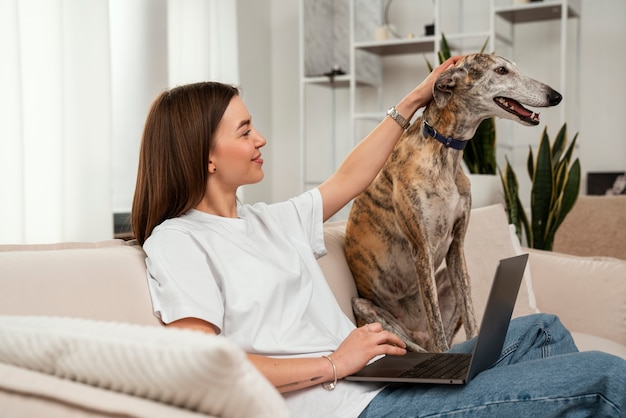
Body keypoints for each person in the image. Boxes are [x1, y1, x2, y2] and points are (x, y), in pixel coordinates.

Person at [131, 57, 626, 417]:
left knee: (541, 329)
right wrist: (334, 363)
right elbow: (197, 367)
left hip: (381, 382)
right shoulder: (179, 241)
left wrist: (415, 98)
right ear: (206, 156)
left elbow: (351, 178)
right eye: (244, 132)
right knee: (606, 375)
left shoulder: (266, 221)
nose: (260, 139)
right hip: (349, 408)